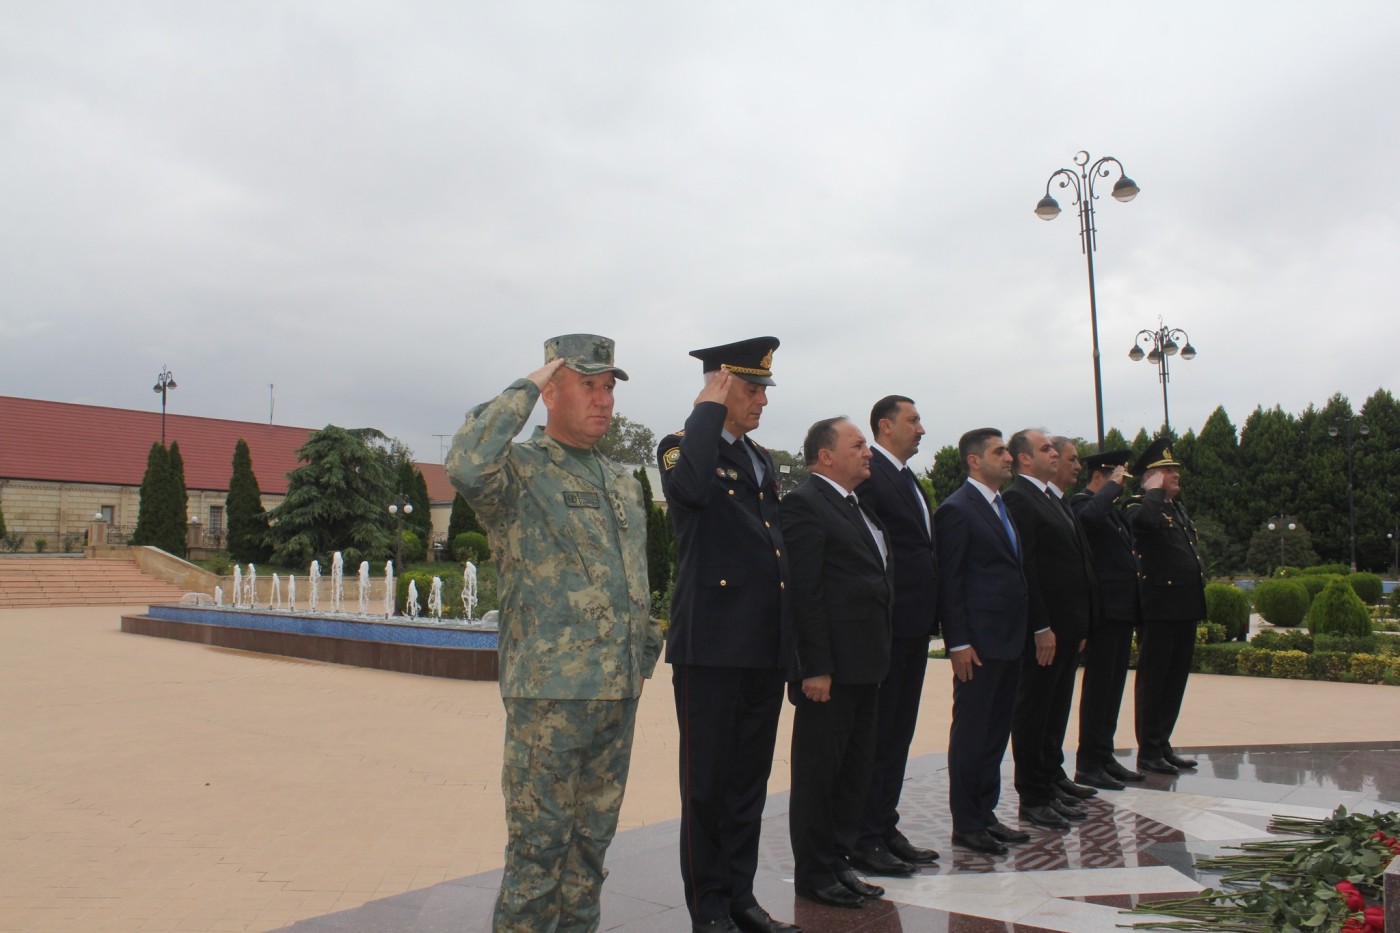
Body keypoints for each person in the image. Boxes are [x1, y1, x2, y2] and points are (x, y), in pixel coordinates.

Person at [444, 334, 662, 933]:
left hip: (616, 695)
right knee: (537, 854)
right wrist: (527, 384)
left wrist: (644, 648)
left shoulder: (621, 480)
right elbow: (464, 461)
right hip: (550, 697)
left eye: (609, 387)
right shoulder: (517, 472)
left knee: (590, 850)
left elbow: (636, 574)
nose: (603, 399)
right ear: (551, 392)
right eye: (587, 385)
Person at [658, 337, 799, 933]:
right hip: (711, 647)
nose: (762, 398)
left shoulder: (761, 458)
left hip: (762, 646)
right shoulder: (679, 448)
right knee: (707, 787)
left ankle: (741, 896)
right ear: (718, 387)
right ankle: (709, 908)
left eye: (764, 388)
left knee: (748, 785)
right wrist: (705, 413)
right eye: (749, 387)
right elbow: (690, 492)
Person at [783, 417, 895, 910]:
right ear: (825, 456)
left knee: (853, 772)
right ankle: (814, 873)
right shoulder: (805, 504)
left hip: (865, 666)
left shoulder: (854, 506)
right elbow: (804, 593)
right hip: (829, 672)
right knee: (819, 776)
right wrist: (814, 666)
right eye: (857, 444)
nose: (867, 452)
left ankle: (838, 863)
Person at [934, 428, 1039, 856]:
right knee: (973, 734)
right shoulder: (958, 509)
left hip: (1008, 642)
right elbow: (950, 581)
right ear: (974, 460)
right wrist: (957, 642)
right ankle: (967, 823)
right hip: (978, 645)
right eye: (999, 452)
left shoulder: (999, 507)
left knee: (996, 733)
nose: (1009, 457)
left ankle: (986, 814)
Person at [849, 396, 940, 876]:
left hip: (912, 628)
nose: (922, 428)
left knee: (898, 734)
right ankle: (864, 836)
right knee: (879, 735)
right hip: (885, 628)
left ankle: (884, 824)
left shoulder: (908, 478)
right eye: (913, 420)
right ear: (886, 427)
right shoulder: (872, 476)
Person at [1002, 430, 1098, 831]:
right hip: (1046, 632)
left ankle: (1050, 782)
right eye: (1045, 449)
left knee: (1054, 710)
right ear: (1025, 459)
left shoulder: (1047, 497)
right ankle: (1034, 796)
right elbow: (1030, 568)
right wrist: (1041, 625)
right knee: (1034, 711)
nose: (1056, 454)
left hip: (1066, 626)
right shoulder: (1019, 498)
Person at [1125, 437, 1207, 776]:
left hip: (1184, 606)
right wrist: (1153, 492)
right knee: (1154, 680)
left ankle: (1162, 743)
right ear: (1150, 477)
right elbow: (1142, 525)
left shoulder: (1177, 509)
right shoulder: (1138, 505)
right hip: (1158, 608)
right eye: (1166, 470)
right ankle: (1148, 750)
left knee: (1175, 680)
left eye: (1174, 469)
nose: (1175, 474)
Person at [1070, 449, 1147, 790]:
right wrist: (1110, 489)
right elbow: (1088, 520)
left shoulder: (1110, 512)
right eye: (1116, 480)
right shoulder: (1081, 504)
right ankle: (1088, 763)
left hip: (1120, 612)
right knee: (1099, 689)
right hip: (1101, 613)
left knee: (1113, 688)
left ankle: (1104, 755)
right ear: (1099, 478)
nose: (1121, 487)